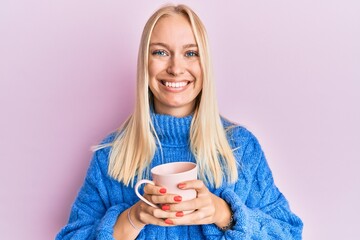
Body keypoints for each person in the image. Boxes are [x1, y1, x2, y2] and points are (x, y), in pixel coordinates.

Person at [56, 4, 303, 240]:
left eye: (190, 53)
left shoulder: (241, 148)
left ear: (204, 63)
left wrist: (223, 213)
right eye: (160, 52)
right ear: (145, 63)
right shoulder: (111, 155)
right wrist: (132, 218)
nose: (176, 68)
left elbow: (289, 233)